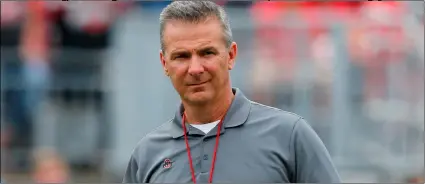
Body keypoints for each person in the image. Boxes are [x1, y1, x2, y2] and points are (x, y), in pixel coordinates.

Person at [123, 1, 340, 183]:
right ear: (164, 63)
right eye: (182, 56)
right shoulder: (147, 155)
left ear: (231, 55)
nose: (196, 68)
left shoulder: (289, 136)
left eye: (207, 52)